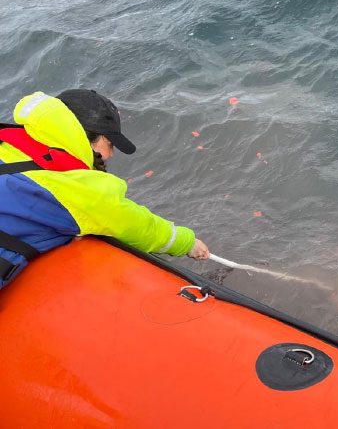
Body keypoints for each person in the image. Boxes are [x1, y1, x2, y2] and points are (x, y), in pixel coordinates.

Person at [0, 90, 209, 290]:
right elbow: (139, 227)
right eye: (110, 144)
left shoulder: (9, 144)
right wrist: (189, 243)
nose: (111, 154)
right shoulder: (77, 190)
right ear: (90, 140)